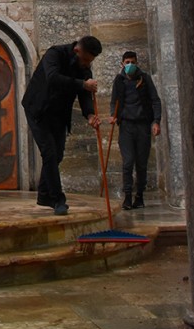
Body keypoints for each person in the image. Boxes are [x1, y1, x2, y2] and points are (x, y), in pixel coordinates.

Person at [21, 35, 103, 215]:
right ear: (77, 51)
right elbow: (52, 78)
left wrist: (89, 115)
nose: (87, 65)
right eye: (86, 59)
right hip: (38, 109)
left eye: (91, 61)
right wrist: (82, 84)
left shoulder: (84, 68)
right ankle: (57, 199)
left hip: (59, 114)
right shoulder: (55, 54)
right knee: (49, 152)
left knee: (57, 155)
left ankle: (44, 195)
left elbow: (84, 95)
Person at [109, 50, 162, 211]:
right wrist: (114, 116)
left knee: (141, 163)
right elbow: (114, 101)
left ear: (136, 63)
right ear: (122, 64)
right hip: (126, 126)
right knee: (128, 162)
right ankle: (127, 196)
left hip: (143, 125)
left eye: (132, 62)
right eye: (127, 62)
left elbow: (155, 101)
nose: (130, 65)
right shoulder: (119, 80)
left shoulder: (144, 79)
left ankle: (139, 195)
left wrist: (156, 121)